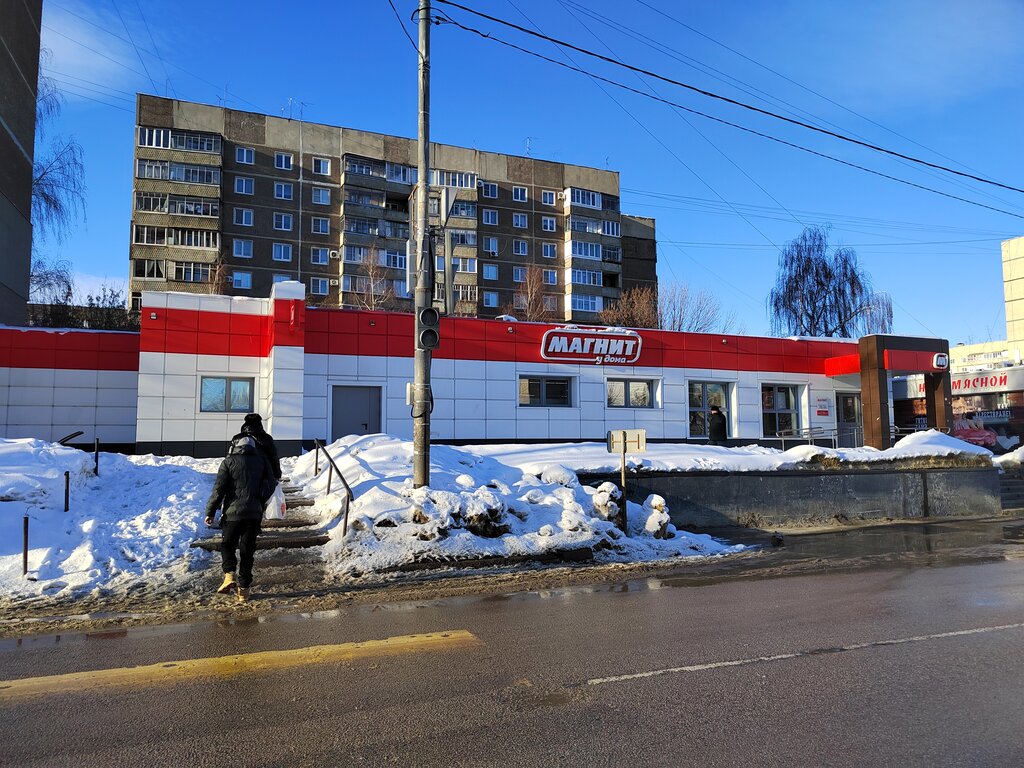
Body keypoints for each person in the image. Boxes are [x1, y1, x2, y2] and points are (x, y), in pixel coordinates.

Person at [204, 434, 276, 602]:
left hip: (232, 513)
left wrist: (210, 511)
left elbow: (218, 490)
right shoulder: (262, 461)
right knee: (247, 550)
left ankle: (229, 575)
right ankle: (244, 590)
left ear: (235, 447)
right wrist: (259, 499)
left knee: (227, 544)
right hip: (254, 513)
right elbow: (271, 484)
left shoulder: (228, 462)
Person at [233, 413, 281, 481]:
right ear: (260, 423)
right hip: (262, 474)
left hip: (241, 473)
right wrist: (277, 474)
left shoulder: (237, 438)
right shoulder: (267, 438)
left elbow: (230, 457)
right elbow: (273, 457)